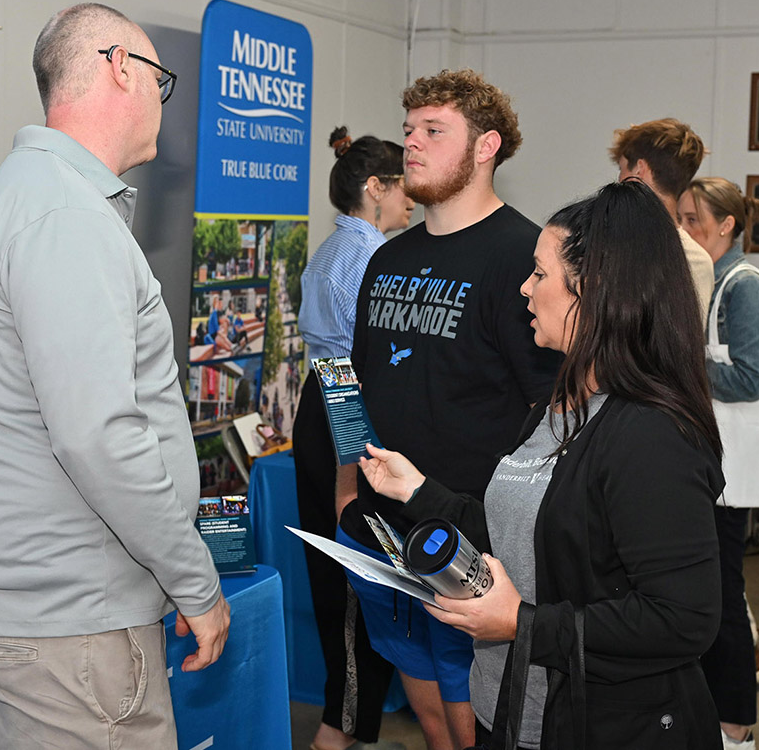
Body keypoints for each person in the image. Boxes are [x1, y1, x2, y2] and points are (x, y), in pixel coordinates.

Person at [0, 3, 230, 749]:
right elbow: (99, 436)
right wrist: (195, 582)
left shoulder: (41, 199)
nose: (163, 103)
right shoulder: (64, 214)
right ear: (118, 69)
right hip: (73, 636)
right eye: (160, 81)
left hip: (63, 622)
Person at [359, 181, 724, 749]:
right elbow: (520, 534)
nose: (525, 289)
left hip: (594, 725)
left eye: (540, 274)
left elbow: (683, 620)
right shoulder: (557, 404)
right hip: (507, 711)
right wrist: (419, 492)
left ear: (592, 291)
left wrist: (521, 624)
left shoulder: (650, 435)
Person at [338, 69, 561, 750]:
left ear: (486, 145)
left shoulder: (523, 256)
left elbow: (548, 411)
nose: (412, 144)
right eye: (409, 130)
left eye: (434, 131)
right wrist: (346, 495)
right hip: (378, 528)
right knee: (425, 701)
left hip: (470, 535)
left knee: (479, 714)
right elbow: (357, 386)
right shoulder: (387, 259)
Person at [293, 126, 414, 750]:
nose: (411, 197)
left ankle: (345, 728)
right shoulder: (368, 259)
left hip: (323, 407)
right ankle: (337, 734)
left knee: (347, 586)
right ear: (376, 188)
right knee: (353, 586)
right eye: (401, 185)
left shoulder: (331, 250)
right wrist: (350, 471)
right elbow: (347, 371)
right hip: (344, 413)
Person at [679, 178, 759, 750]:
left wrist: (678, 365)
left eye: (695, 219)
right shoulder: (709, 281)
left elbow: (751, 377)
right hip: (706, 463)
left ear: (726, 226)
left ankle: (736, 726)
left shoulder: (745, 286)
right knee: (710, 592)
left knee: (726, 594)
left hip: (731, 473)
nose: (686, 229)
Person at [609, 118, 715, 321]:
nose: (619, 179)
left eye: (622, 169)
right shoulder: (698, 260)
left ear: (639, 169)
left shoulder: (608, 246)